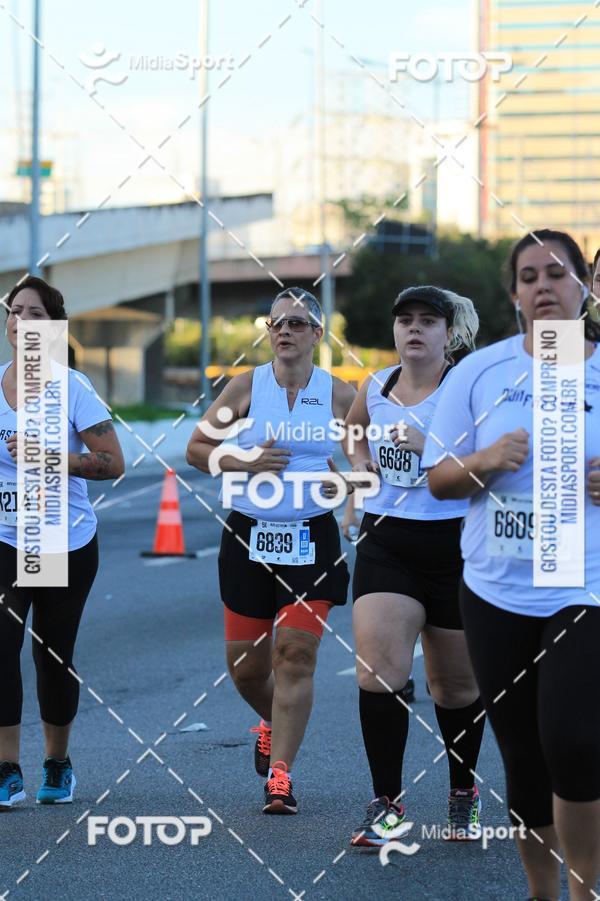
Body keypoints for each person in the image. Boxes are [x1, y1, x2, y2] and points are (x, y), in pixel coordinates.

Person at [423, 230, 600, 901]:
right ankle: (543, 893)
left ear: (584, 285)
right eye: (528, 276)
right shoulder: (479, 372)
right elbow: (437, 478)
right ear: (515, 295)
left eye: (557, 272)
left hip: (584, 584)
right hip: (496, 590)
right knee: (524, 760)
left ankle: (583, 893)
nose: (543, 285)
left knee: (576, 740)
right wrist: (486, 461)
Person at [186, 287, 355, 814]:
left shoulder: (340, 395)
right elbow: (197, 450)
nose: (284, 330)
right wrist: (246, 460)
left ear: (317, 335)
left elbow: (365, 463)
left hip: (310, 538)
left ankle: (280, 775)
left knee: (295, 657)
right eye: (276, 322)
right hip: (248, 537)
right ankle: (271, 721)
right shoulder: (244, 387)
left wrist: (346, 486)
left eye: (297, 323)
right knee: (246, 669)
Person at [343, 286, 486, 846]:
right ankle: (387, 805)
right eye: (405, 320)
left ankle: (462, 791)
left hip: (453, 545)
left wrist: (429, 444)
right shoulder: (376, 385)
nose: (415, 330)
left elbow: (489, 462)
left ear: (448, 333)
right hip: (386, 542)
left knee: (454, 688)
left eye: (428, 321)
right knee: (378, 672)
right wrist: (360, 472)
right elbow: (354, 430)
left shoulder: (467, 387)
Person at [0, 276, 124, 808]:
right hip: (5, 535)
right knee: (0, 648)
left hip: (59, 538)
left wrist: (48, 457)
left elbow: (113, 464)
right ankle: (7, 770)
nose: (19, 320)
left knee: (50, 654)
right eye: (13, 311)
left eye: (32, 313)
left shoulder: (70, 387)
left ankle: (57, 761)